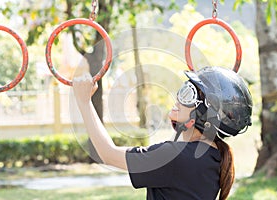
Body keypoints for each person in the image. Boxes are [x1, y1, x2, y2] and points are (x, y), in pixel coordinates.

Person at [72, 66, 253, 200]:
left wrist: (84, 102)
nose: (178, 100)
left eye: (188, 94)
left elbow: (107, 154)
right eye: (183, 89)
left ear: (206, 114)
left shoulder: (176, 157)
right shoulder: (214, 157)